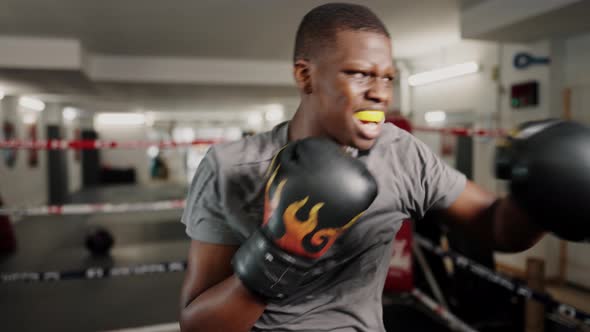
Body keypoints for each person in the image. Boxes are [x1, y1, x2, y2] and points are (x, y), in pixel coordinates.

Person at [179, 3, 589, 332]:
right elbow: (198, 323)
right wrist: (280, 255)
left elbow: (496, 227)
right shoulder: (230, 167)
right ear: (306, 76)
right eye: (359, 74)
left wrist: (540, 199)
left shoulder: (401, 153)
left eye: (388, 78)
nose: (379, 93)